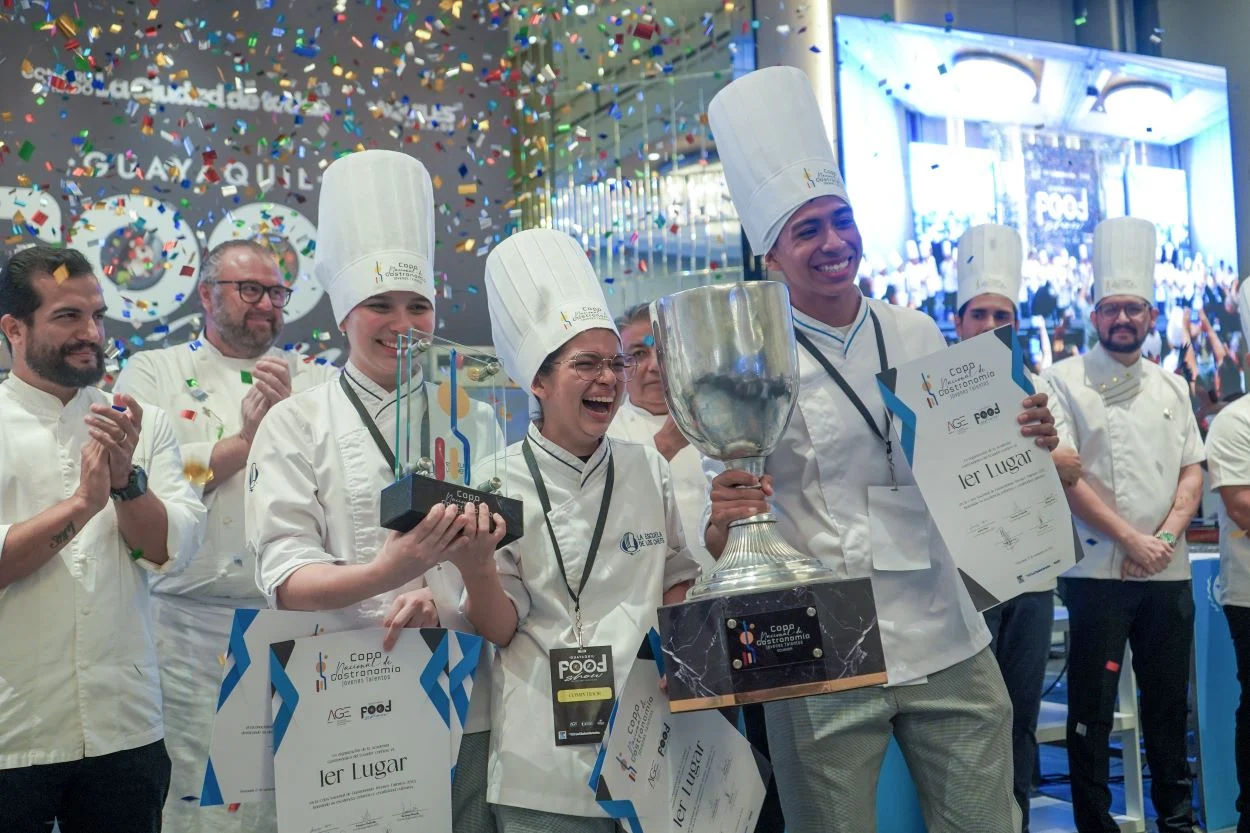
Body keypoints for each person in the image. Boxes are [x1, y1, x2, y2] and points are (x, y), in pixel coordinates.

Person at [703, 66, 1059, 833]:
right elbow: (726, 528)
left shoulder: (918, 332)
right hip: (822, 634)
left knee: (986, 820)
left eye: (842, 219)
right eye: (808, 229)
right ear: (772, 253)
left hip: (941, 619)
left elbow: (972, 462)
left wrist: (1024, 437)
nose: (835, 242)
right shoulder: (748, 364)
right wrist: (722, 515)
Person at [246, 150, 502, 833]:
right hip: (341, 694)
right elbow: (285, 574)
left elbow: (501, 561)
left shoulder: (471, 417)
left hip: (458, 691)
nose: (403, 322)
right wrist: (385, 575)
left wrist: (447, 591)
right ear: (342, 315)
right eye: (379, 304)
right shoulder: (297, 419)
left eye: (418, 305)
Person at [461, 228, 700, 833]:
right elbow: (501, 625)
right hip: (540, 754)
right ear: (538, 383)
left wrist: (682, 644)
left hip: (650, 733)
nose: (609, 380)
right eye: (586, 365)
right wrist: (476, 567)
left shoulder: (646, 466)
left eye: (615, 363)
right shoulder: (495, 479)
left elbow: (676, 574)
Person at [111, 238, 336, 832]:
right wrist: (244, 441)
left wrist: (289, 431)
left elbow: (339, 490)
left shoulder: (315, 378)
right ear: (207, 295)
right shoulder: (154, 371)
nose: (266, 303)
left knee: (293, 788)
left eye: (276, 291)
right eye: (250, 289)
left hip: (293, 620)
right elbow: (148, 478)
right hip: (188, 626)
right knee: (198, 793)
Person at [0, 245, 207, 833]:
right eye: (68, 316)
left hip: (126, 728)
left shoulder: (142, 422)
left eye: (97, 315)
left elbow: (171, 550)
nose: (91, 332)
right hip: (13, 735)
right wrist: (84, 504)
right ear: (14, 328)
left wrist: (126, 485)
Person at [1044, 216, 1205, 833]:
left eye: (1134, 309)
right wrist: (1129, 538)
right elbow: (1067, 476)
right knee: (1091, 710)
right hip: (1096, 572)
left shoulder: (1174, 385)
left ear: (1152, 315)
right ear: (1094, 311)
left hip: (1168, 574)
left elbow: (1193, 471)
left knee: (1169, 707)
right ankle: (1094, 824)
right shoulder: (1061, 379)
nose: (1123, 320)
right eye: (1112, 308)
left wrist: (1162, 540)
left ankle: (1179, 820)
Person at [952, 223, 1082, 832]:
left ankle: (1019, 823)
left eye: (1001, 313)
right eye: (978, 313)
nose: (989, 325)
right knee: (964, 724)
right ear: (958, 321)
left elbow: (1071, 465)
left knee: (1020, 716)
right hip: (961, 583)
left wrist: (1042, 451)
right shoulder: (934, 389)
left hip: (1029, 576)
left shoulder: (1041, 385)